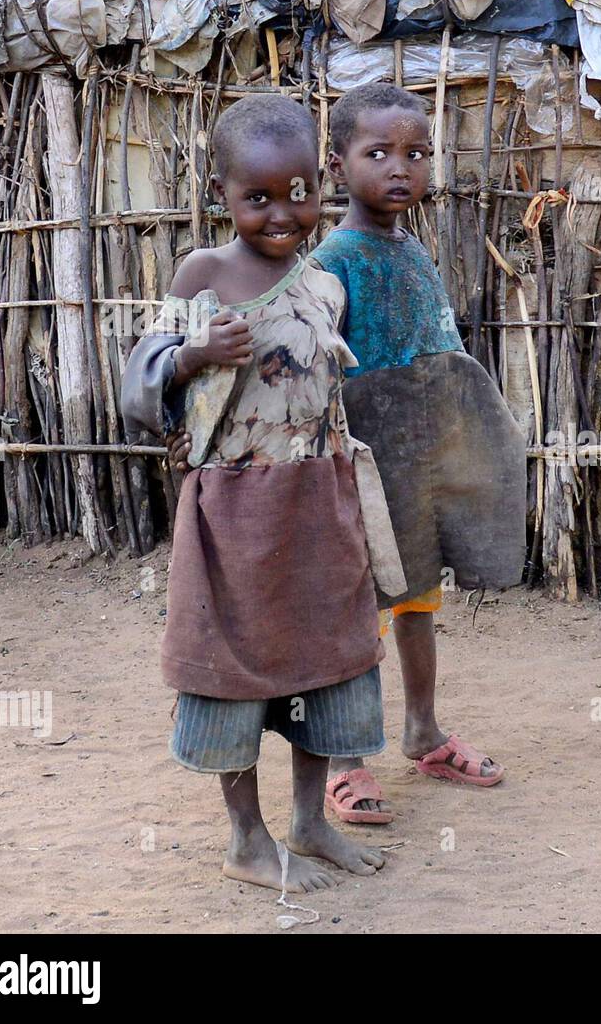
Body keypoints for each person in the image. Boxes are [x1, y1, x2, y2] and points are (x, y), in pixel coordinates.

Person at [122, 95, 390, 890]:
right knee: (229, 668)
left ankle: (310, 823)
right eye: (258, 198)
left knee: (328, 662)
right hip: (235, 513)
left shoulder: (325, 284)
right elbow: (138, 384)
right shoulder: (203, 275)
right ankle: (247, 838)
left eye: (299, 192)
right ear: (222, 197)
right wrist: (193, 354)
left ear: (322, 185)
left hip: (321, 503)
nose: (282, 213)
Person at [309, 82, 526, 822]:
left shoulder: (410, 250)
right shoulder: (334, 260)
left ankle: (424, 731)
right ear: (336, 166)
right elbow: (321, 366)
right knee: (358, 613)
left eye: (417, 153)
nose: (400, 168)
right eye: (378, 154)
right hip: (367, 472)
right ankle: (344, 761)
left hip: (424, 468)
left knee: (419, 603)